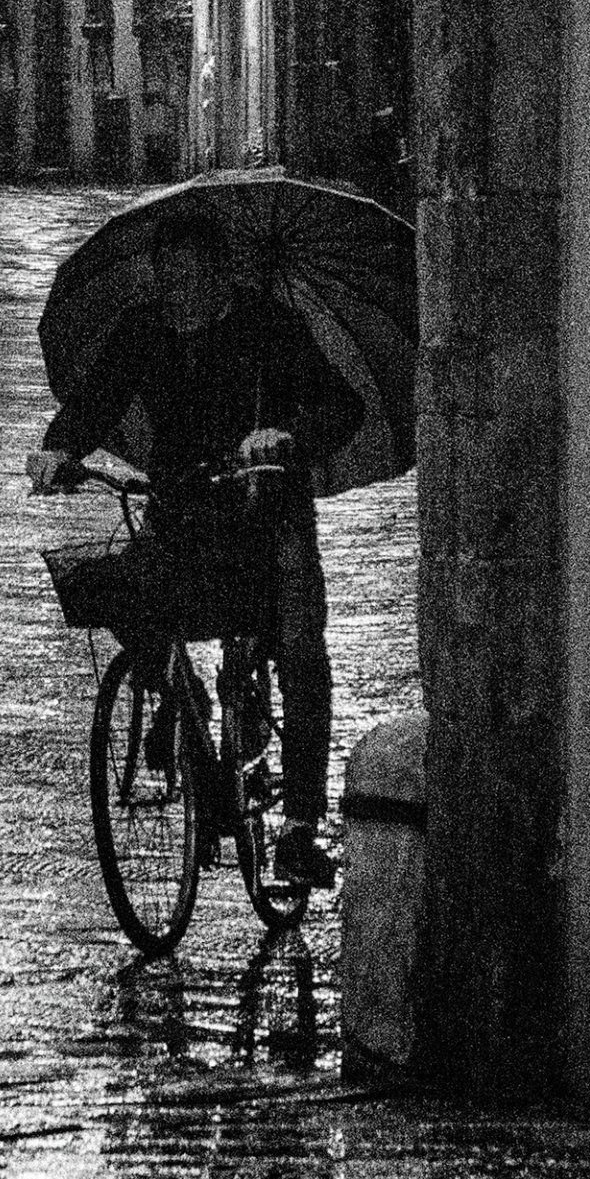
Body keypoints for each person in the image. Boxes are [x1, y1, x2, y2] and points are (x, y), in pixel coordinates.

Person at [29, 204, 361, 887]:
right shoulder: (143, 330)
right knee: (123, 588)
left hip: (266, 512)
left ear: (219, 275)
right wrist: (61, 448)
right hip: (181, 505)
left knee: (299, 646)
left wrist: (286, 439)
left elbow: (340, 406)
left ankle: (299, 828)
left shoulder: (271, 327)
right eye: (166, 277)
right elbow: (97, 398)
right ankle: (176, 694)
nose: (177, 293)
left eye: (190, 277)